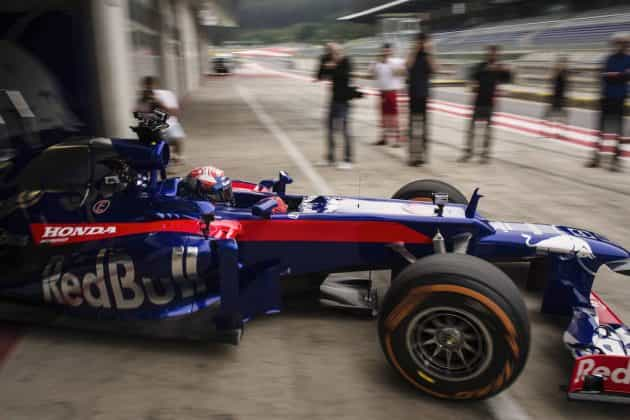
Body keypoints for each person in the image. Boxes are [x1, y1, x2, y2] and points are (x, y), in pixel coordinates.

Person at [460, 45, 511, 163]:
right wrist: (486, 70)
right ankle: (468, 152)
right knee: (472, 129)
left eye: (495, 54)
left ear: (498, 55)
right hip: (478, 101)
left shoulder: (499, 68)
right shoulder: (481, 66)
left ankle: (485, 154)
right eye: (491, 53)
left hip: (490, 102)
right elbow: (473, 76)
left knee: (487, 131)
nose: (492, 55)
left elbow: (508, 78)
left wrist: (506, 70)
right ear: (487, 54)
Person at [586, 33, 630, 172]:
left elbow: (626, 76)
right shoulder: (608, 59)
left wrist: (613, 75)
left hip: (619, 97)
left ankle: (615, 161)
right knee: (601, 129)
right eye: (617, 43)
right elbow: (603, 75)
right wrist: (617, 75)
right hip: (606, 96)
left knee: (617, 130)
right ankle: (596, 157)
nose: (619, 46)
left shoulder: (628, 59)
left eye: (622, 43)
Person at [315, 43, 354, 170]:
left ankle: (348, 159)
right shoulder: (328, 60)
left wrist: (333, 66)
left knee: (345, 130)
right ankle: (330, 157)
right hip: (333, 99)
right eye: (331, 52)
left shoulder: (346, 61)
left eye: (336, 52)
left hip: (344, 100)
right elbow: (319, 75)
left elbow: (343, 75)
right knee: (330, 129)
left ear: (341, 51)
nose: (333, 54)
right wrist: (324, 63)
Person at [136, 76, 186, 163]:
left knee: (178, 138)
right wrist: (144, 103)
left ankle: (176, 156)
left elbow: (174, 112)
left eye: (151, 86)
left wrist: (159, 103)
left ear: (157, 86)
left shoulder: (166, 95)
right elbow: (138, 114)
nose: (149, 89)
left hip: (168, 125)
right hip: (150, 127)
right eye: (147, 86)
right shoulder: (142, 98)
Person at [407, 33, 436, 166]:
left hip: (423, 94)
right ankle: (413, 155)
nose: (421, 45)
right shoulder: (412, 55)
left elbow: (435, 69)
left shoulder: (427, 56)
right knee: (413, 125)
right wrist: (414, 50)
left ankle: (423, 154)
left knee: (424, 126)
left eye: (423, 42)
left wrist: (429, 52)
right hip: (413, 94)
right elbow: (408, 65)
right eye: (419, 42)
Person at [371, 43, 405, 147]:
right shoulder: (377, 62)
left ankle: (397, 139)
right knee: (383, 116)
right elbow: (373, 75)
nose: (386, 52)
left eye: (388, 50)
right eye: (384, 50)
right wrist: (375, 64)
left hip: (391, 91)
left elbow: (401, 73)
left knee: (393, 116)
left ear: (392, 51)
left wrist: (390, 64)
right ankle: (383, 137)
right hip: (382, 91)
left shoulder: (397, 61)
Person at [543, 55, 570, 128]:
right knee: (552, 108)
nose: (564, 64)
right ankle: (547, 120)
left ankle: (563, 124)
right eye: (562, 63)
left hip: (562, 93)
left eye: (565, 63)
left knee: (562, 110)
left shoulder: (565, 71)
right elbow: (550, 79)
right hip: (555, 93)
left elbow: (567, 82)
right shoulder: (555, 70)